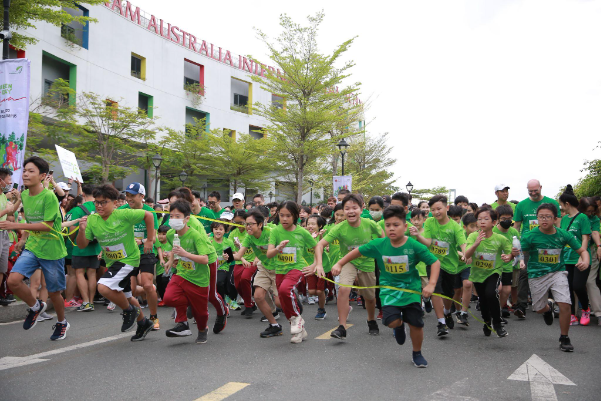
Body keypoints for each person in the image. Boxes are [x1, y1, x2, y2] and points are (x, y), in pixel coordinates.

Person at [329, 206, 440, 368]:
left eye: (396, 225)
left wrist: (431, 284)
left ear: (405, 227)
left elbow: (435, 262)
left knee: (416, 324)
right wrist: (339, 263)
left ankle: (417, 353)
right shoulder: (379, 244)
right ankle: (399, 326)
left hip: (411, 291)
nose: (391, 229)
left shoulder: (414, 246)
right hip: (389, 292)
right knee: (391, 321)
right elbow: (357, 251)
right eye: (388, 225)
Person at [2, 157, 69, 341]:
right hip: (33, 246)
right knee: (13, 281)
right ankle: (35, 306)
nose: (25, 174)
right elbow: (13, 214)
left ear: (42, 176)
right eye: (24, 170)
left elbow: (47, 225)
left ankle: (62, 322)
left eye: (31, 171)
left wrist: (15, 227)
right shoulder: (24, 194)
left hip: (52, 249)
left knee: (54, 292)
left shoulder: (49, 196)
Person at [77, 184, 155, 341]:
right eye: (96, 202)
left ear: (114, 202)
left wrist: (150, 240)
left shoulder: (123, 214)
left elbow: (149, 216)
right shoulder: (92, 220)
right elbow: (82, 245)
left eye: (104, 202)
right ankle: (143, 322)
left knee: (103, 288)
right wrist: (81, 230)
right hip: (113, 262)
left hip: (129, 259)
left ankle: (129, 311)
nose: (99, 206)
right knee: (127, 297)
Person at [519, 203, 590, 352]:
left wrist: (585, 260)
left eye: (548, 217)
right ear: (537, 218)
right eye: (541, 217)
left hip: (558, 273)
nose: (544, 220)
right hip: (536, 275)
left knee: (565, 303)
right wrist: (514, 257)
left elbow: (582, 251)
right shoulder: (529, 236)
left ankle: (564, 338)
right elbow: (520, 252)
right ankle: (547, 308)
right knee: (538, 309)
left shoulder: (564, 235)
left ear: (555, 218)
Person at [314, 194, 384, 340]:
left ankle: (371, 320)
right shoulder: (339, 228)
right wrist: (319, 264)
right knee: (344, 289)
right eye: (347, 208)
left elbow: (383, 239)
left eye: (354, 208)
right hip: (347, 262)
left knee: (370, 297)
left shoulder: (370, 224)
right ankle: (342, 327)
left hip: (367, 263)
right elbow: (320, 244)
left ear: (362, 208)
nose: (351, 211)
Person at [411, 195, 467, 337]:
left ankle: (447, 313)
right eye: (433, 210)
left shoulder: (455, 227)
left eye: (439, 209)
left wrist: (466, 253)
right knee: (435, 290)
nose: (436, 212)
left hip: (450, 265)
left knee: (448, 295)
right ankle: (441, 322)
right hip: (433, 262)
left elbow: (463, 243)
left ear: (446, 208)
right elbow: (428, 243)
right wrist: (418, 235)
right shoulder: (429, 222)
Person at [163, 200, 216, 344]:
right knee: (169, 298)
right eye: (171, 216)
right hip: (182, 273)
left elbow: (205, 259)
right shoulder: (170, 233)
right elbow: (175, 247)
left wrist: (185, 254)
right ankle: (183, 322)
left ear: (187, 218)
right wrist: (171, 259)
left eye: (177, 216)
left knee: (201, 313)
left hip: (199, 278)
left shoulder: (195, 235)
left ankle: (202, 330)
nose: (173, 220)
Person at [267, 201, 317, 344]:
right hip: (280, 270)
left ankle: (296, 319)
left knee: (284, 290)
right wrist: (278, 248)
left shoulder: (302, 232)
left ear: (295, 216)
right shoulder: (275, 231)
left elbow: (317, 247)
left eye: (288, 216)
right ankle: (300, 331)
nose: (284, 219)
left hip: (296, 268)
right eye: (281, 215)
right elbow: (269, 254)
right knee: (283, 301)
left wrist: (315, 264)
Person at [513, 179, 561, 319]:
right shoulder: (521, 205)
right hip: (528, 244)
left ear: (541, 187)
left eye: (536, 190)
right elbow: (516, 226)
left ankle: (552, 303)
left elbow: (558, 223)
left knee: (551, 272)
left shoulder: (552, 203)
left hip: (548, 243)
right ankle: (521, 306)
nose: (533, 193)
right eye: (530, 191)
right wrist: (515, 243)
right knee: (524, 272)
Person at [233, 210, 284, 338]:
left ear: (260, 225)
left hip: (278, 268)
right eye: (246, 224)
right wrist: (224, 256)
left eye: (251, 224)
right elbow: (239, 255)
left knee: (279, 303)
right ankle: (274, 326)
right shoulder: (249, 237)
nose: (248, 227)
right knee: (258, 296)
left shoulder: (270, 233)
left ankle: (293, 302)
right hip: (264, 267)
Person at [465, 207, 514, 338]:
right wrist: (475, 244)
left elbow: (510, 253)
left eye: (486, 219)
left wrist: (509, 256)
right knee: (483, 300)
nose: (482, 221)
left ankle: (498, 324)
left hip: (494, 271)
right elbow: (467, 254)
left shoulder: (500, 239)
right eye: (479, 219)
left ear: (494, 222)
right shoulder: (473, 236)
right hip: (477, 274)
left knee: (491, 293)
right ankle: (487, 322)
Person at [120, 183, 161, 330]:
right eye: (127, 195)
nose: (129, 198)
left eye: (132, 195)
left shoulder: (150, 212)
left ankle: (154, 316)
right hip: (128, 253)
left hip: (146, 251)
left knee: (147, 284)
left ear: (142, 197)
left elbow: (154, 238)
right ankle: (146, 300)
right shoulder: (121, 210)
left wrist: (142, 241)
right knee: (130, 290)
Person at [559, 186, 593, 326]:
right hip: (566, 258)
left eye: (561, 205)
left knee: (578, 286)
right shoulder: (564, 219)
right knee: (568, 287)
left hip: (580, 258)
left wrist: (582, 256)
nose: (561, 208)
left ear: (567, 204)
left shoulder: (583, 218)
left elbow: (585, 238)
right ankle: (572, 314)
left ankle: (585, 309)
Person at [67, 185, 101, 312]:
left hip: (80, 246)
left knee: (79, 273)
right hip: (96, 246)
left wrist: (73, 240)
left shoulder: (78, 209)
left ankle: (86, 301)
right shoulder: (100, 207)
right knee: (92, 274)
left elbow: (71, 230)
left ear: (83, 195)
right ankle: (92, 301)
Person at [493, 205, 523, 320]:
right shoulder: (492, 231)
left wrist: (520, 260)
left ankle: (498, 311)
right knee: (498, 289)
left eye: (509, 218)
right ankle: (493, 312)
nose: (507, 221)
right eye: (504, 219)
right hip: (494, 266)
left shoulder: (514, 231)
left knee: (507, 290)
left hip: (508, 266)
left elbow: (518, 248)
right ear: (498, 219)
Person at [0, 168, 22, 304]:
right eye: (8, 180)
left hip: (4, 234)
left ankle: (1, 296)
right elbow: (7, 211)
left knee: (2, 269)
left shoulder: (3, 195)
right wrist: (6, 210)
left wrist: (18, 200)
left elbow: (11, 212)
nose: (10, 183)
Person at [231, 210, 258, 318]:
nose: (239, 226)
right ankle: (251, 303)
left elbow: (259, 247)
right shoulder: (233, 234)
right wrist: (242, 259)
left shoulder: (251, 232)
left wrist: (256, 258)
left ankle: (248, 306)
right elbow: (229, 250)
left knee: (245, 278)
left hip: (252, 261)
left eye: (241, 223)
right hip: (239, 261)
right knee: (237, 284)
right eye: (236, 223)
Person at [304, 214, 331, 320]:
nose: (310, 226)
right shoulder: (304, 235)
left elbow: (319, 248)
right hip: (310, 267)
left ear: (320, 226)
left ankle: (321, 310)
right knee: (311, 292)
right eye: (308, 224)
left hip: (322, 266)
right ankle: (325, 292)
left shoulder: (321, 236)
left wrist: (319, 237)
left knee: (319, 292)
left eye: (313, 224)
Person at [582, 198, 601, 325]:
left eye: (592, 211)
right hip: (574, 252)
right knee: (575, 284)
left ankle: (599, 313)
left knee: (590, 281)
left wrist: (599, 246)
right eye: (588, 211)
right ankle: (574, 312)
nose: (590, 214)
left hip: (592, 250)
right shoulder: (574, 217)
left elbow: (594, 232)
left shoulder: (594, 219)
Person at [156, 225, 172, 306]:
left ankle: (167, 299)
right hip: (159, 269)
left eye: (163, 234)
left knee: (165, 282)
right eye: (159, 234)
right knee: (159, 284)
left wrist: (169, 255)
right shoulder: (157, 244)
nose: (160, 236)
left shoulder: (171, 243)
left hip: (169, 269)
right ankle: (163, 299)